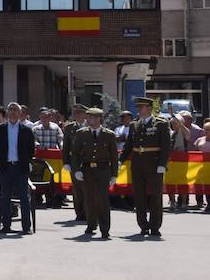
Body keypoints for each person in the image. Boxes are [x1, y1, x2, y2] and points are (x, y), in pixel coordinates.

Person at [120, 96, 170, 237]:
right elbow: (129, 146)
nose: (139, 110)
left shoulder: (160, 124)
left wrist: (162, 164)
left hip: (154, 165)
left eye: (141, 107)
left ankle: (155, 226)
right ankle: (143, 225)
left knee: (155, 197)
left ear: (149, 108)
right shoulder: (134, 125)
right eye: (138, 107)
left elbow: (166, 146)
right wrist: (120, 160)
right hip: (137, 165)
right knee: (139, 197)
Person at [69, 105, 118, 239]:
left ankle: (105, 228)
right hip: (87, 169)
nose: (91, 120)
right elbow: (75, 154)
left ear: (99, 119)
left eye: (93, 117)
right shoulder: (81, 134)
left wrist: (114, 174)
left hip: (103, 170)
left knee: (103, 200)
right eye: (89, 117)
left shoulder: (109, 135)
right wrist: (76, 170)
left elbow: (114, 156)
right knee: (89, 199)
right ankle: (91, 225)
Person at [0, 102, 36, 235]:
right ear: (7, 112)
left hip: (21, 168)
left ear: (20, 113)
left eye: (15, 110)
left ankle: (26, 227)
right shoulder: (0, 129)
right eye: (10, 109)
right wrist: (3, 159)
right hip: (6, 167)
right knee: (5, 197)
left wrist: (24, 161)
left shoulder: (26, 130)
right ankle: (6, 226)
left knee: (24, 197)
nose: (12, 112)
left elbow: (31, 150)